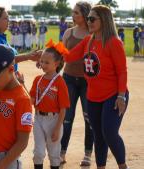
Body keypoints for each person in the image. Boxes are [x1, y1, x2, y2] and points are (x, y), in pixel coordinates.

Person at [64, 5, 129, 169]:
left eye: (93, 19)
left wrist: (121, 96)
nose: (89, 21)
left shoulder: (113, 42)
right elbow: (70, 56)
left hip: (113, 95)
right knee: (98, 135)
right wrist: (49, 51)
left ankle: (123, 166)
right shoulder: (88, 40)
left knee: (109, 133)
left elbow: (122, 71)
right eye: (88, 18)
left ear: (104, 20)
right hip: (93, 95)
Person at [60, 1, 94, 166]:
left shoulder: (94, 33)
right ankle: (61, 152)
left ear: (85, 15)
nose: (73, 16)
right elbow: (61, 55)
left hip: (88, 82)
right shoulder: (69, 32)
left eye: (76, 13)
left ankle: (88, 154)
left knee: (89, 118)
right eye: (72, 12)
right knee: (67, 117)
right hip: (69, 79)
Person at [30, 40, 70, 169]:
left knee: (54, 154)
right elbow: (31, 100)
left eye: (47, 62)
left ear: (57, 63)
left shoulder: (60, 82)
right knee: (38, 152)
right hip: (38, 119)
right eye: (42, 61)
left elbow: (63, 108)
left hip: (54, 120)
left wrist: (58, 128)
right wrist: (22, 84)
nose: (43, 64)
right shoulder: (38, 79)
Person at [0, 6, 39, 72]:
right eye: (5, 18)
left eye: (8, 18)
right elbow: (5, 61)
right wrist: (27, 56)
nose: (8, 21)